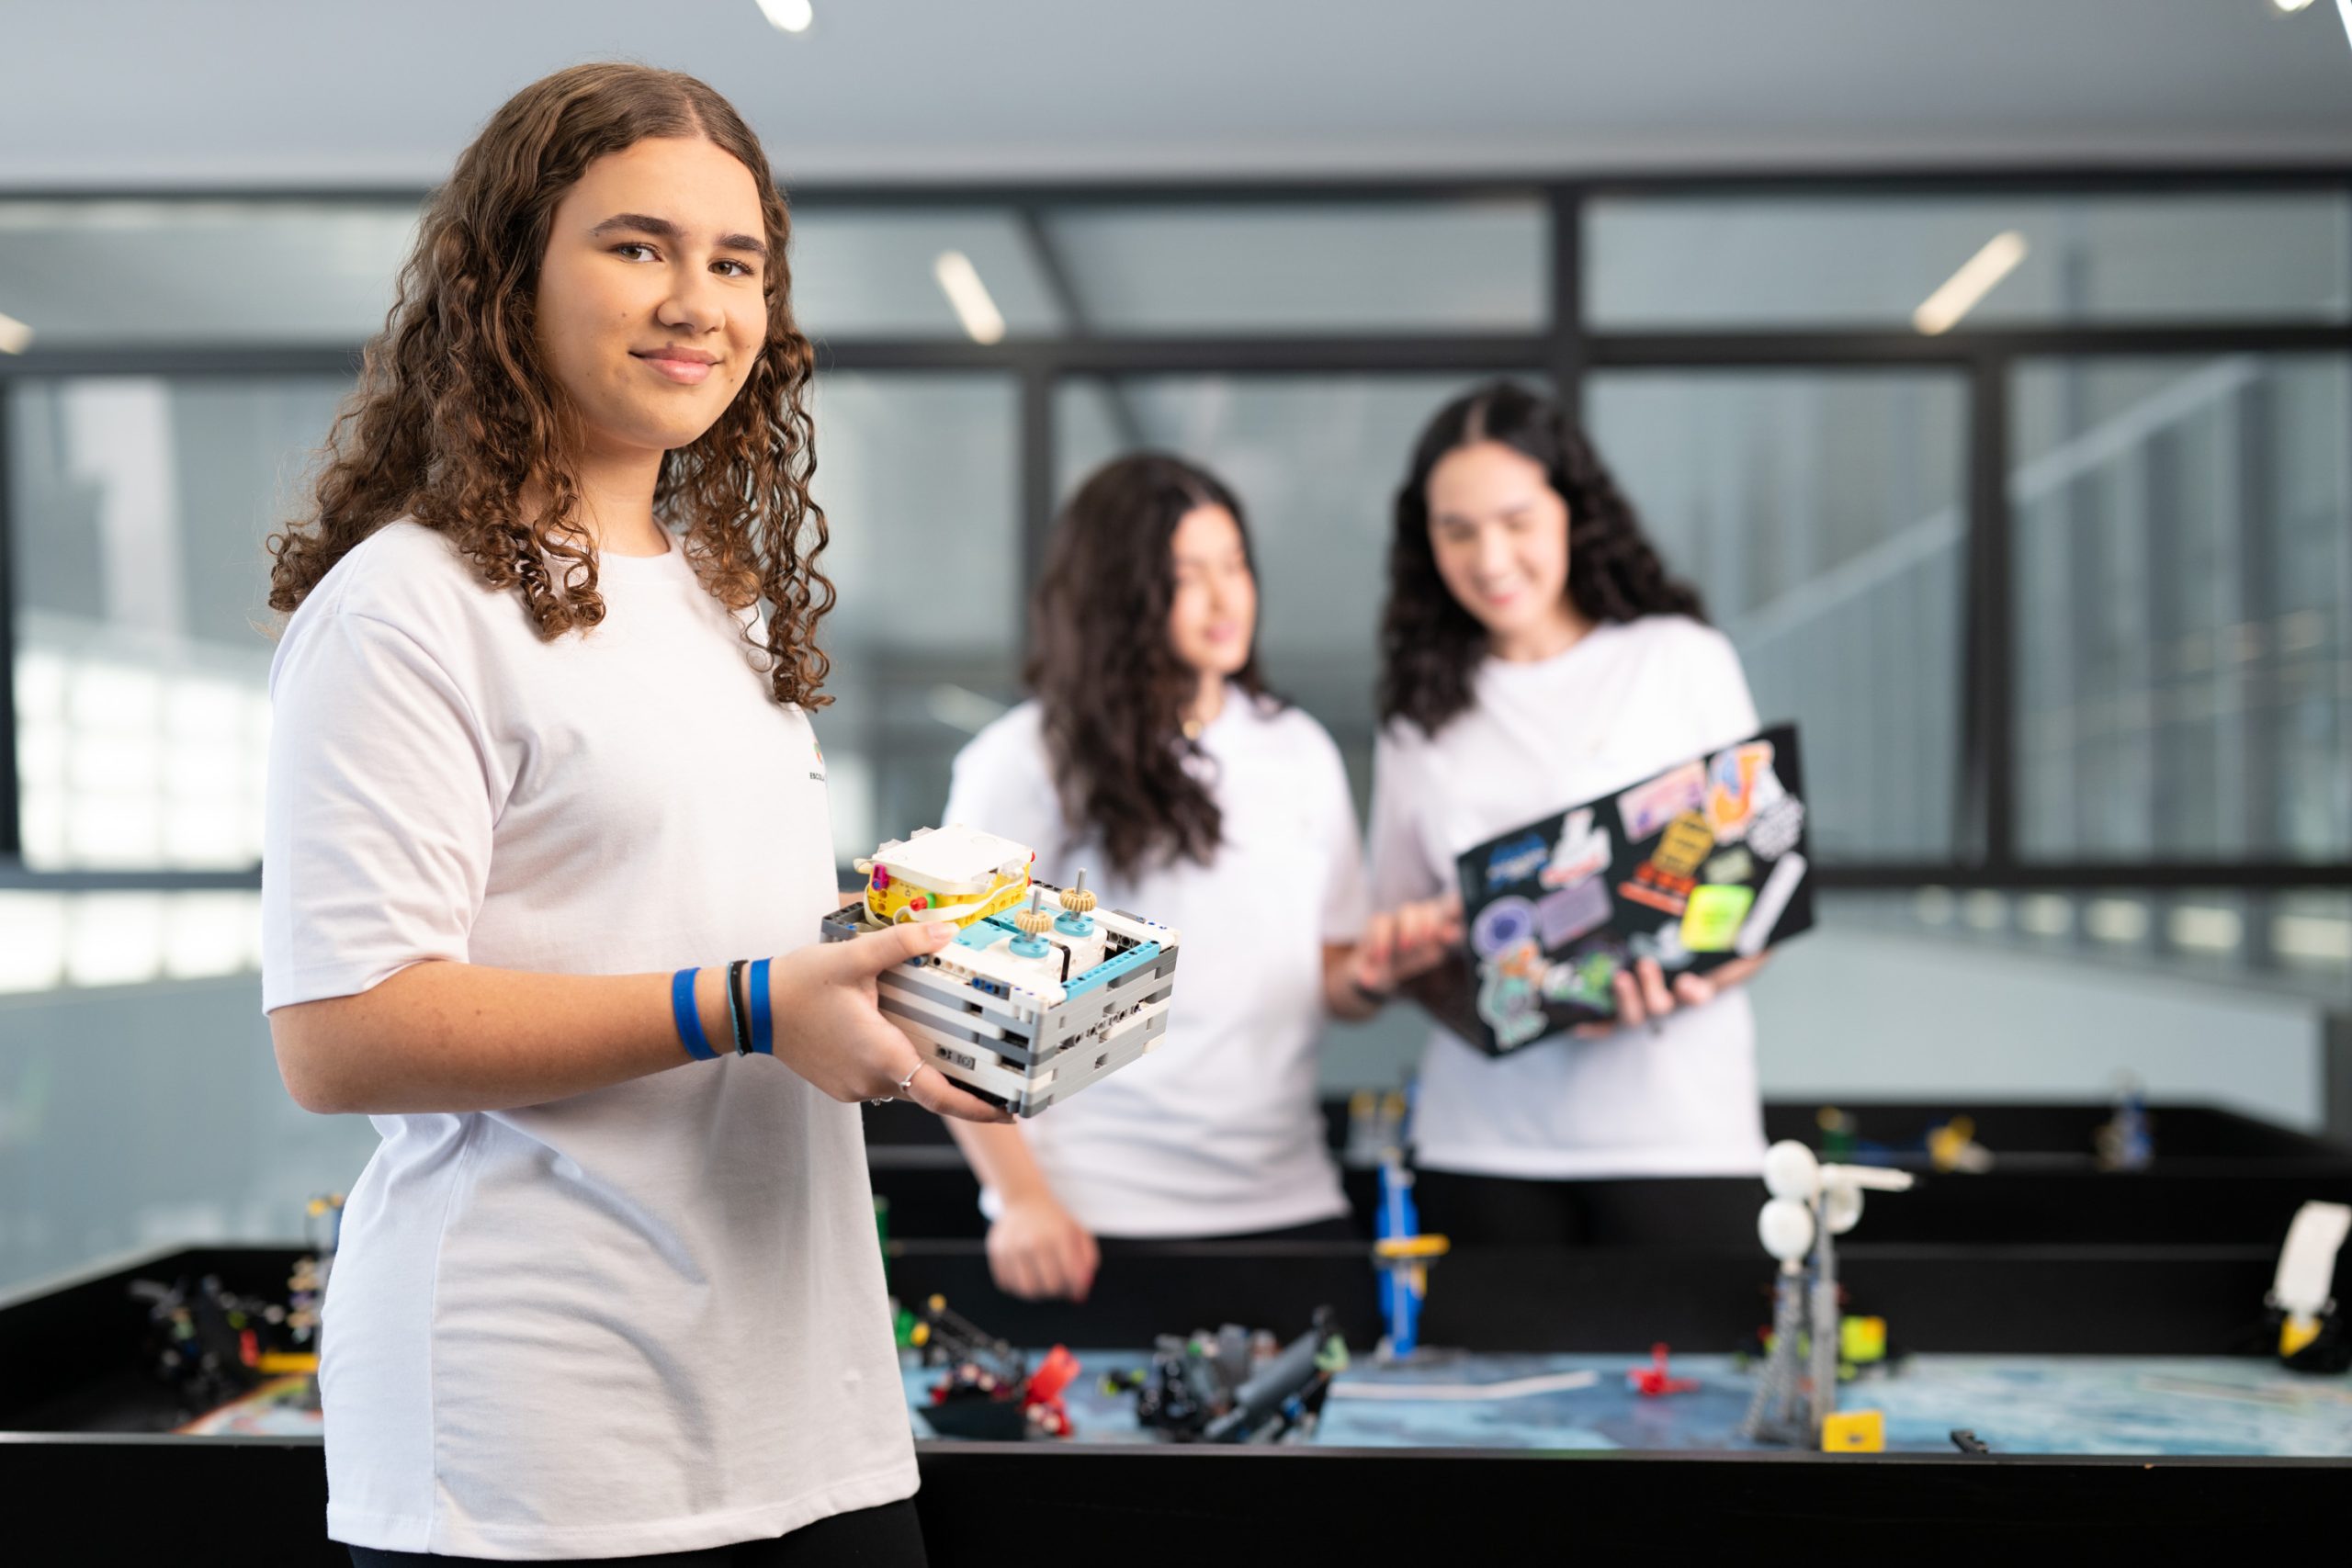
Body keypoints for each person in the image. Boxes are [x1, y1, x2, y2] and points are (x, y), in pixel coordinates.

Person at [261, 63, 1004, 1566]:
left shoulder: (720, 601)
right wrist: (742, 1003)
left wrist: (936, 985)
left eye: (736, 262)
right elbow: (341, 1031)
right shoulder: (406, 609)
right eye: (638, 245)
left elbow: (711, 930)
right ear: (505, 274)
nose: (698, 300)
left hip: (808, 1419)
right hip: (535, 1444)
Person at [939, 455, 1458, 1301]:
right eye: (1188, 576)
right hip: (1092, 1219)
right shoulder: (1030, 759)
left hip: (1289, 1204)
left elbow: (1329, 975)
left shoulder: (1300, 750)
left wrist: (1376, 971)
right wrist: (1019, 1198)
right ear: (1120, 593)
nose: (1226, 599)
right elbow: (951, 1003)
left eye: (1235, 565)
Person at [1366, 380, 1770, 1245]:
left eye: (1517, 520)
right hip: (1484, 1147)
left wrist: (1675, 981)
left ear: (1572, 512)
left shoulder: (1680, 661)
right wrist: (1423, 956)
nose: (1491, 557)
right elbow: (1399, 937)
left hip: (1678, 1137)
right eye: (1458, 530)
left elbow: (1755, 888)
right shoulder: (1419, 713)